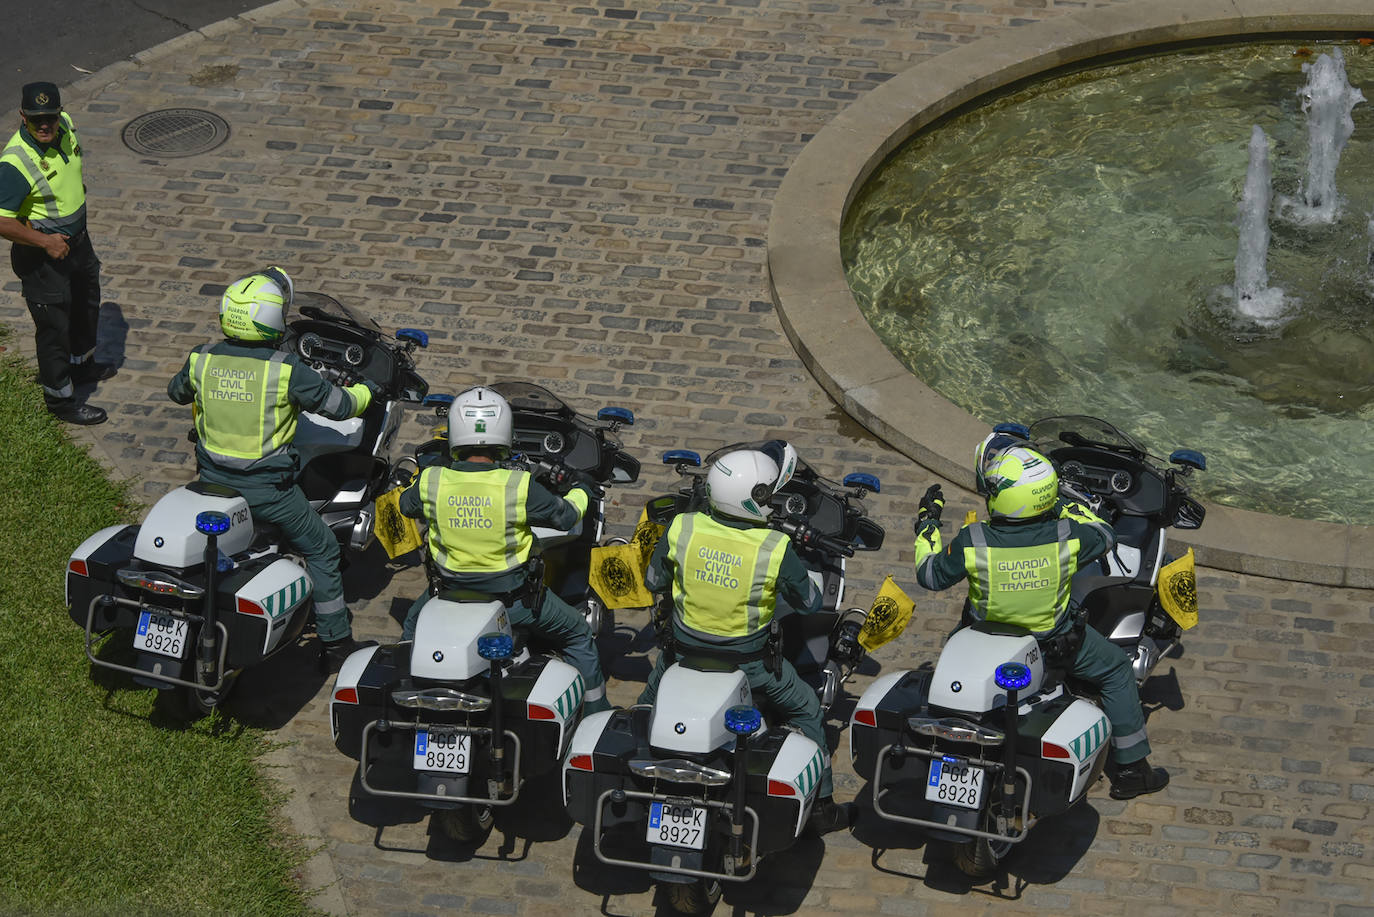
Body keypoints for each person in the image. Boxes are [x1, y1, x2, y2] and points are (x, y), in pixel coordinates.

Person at [912, 442, 1169, 800]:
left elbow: (930, 575)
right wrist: (1066, 504)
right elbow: (1106, 533)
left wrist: (928, 525)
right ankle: (1131, 769)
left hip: (985, 642)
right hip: (1054, 645)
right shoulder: (1068, 537)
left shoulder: (975, 540)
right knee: (1115, 670)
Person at [168, 267, 376, 673]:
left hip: (212, 483)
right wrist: (370, 391)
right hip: (270, 493)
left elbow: (176, 392)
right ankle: (335, 642)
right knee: (322, 548)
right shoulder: (285, 370)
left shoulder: (202, 359)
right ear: (271, 321)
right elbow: (340, 407)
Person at [637, 447, 851, 834]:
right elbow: (809, 602)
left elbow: (654, 581)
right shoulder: (774, 547)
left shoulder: (683, 527)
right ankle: (821, 806)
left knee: (644, 708)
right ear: (756, 499)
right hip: (750, 665)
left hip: (682, 656)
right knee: (807, 711)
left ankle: (636, 780)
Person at [397, 385, 610, 714]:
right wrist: (582, 488)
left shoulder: (432, 481)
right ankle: (597, 715)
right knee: (577, 633)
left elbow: (406, 504)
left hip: (448, 593)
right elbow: (565, 515)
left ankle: (407, 697)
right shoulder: (519, 485)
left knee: (412, 627)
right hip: (515, 604)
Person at [0, 82, 112, 424]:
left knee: (85, 304)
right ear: (23, 117)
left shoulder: (65, 124)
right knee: (53, 329)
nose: (45, 125)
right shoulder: (15, 163)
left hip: (78, 244)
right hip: (44, 258)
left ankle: (82, 366)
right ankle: (61, 401)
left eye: (50, 117)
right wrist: (46, 242)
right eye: (36, 120)